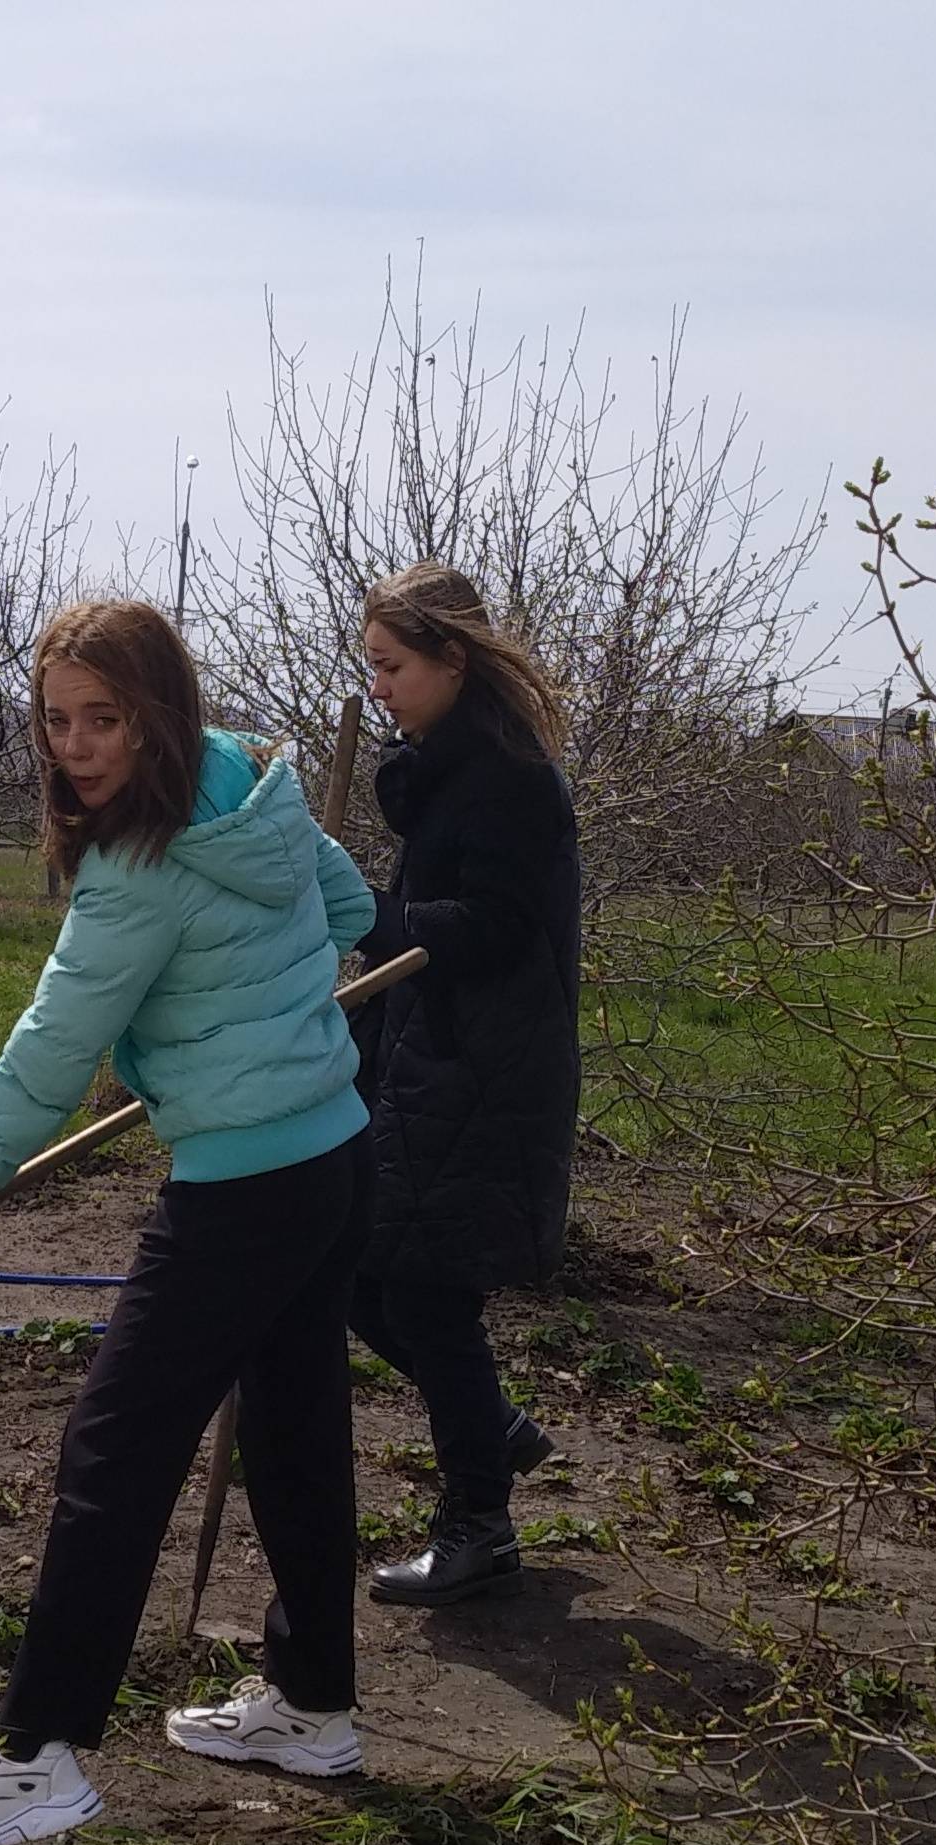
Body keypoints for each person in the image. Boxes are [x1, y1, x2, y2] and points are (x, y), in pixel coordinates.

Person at [0, 599, 382, 1845]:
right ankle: (314, 1705)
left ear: (158, 707)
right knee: (295, 1426)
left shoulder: (139, 865)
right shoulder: (247, 778)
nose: (79, 745)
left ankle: (38, 1756)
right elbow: (351, 906)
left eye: (106, 717)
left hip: (246, 1182)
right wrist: (262, 1003)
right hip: (328, 1145)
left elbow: (51, 1048)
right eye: (57, 720)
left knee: (114, 1446)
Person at [345, 563, 583, 1603]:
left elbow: (492, 930)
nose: (379, 690)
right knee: (357, 1273)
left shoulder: (509, 780)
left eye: (392, 667)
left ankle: (477, 1525)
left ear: (452, 658)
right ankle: (489, 1432)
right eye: (370, 670)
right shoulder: (449, 768)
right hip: (424, 1063)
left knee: (424, 1297)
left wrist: (368, 919)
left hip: (484, 1075)